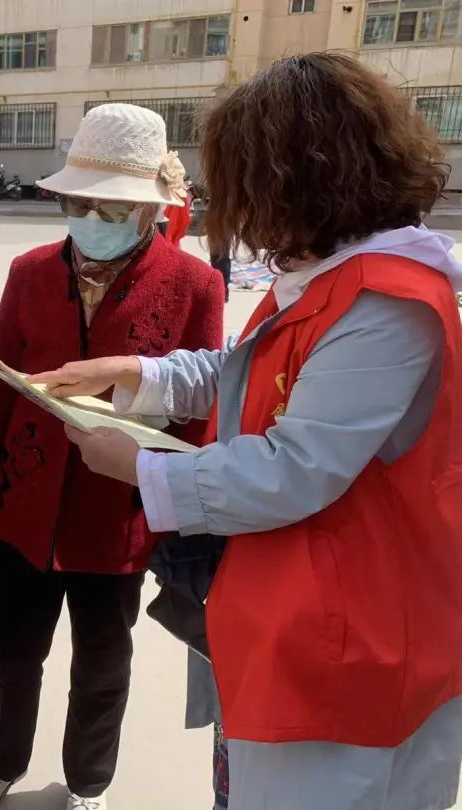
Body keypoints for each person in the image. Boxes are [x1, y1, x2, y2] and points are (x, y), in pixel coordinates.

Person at [33, 53, 462, 810]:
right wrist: (135, 372)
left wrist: (141, 468)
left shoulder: (385, 304)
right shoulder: (328, 278)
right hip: (291, 613)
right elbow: (249, 368)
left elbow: (295, 467)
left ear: (299, 181)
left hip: (352, 644)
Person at [0, 104, 225, 810]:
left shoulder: (195, 285)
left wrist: (177, 504)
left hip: (119, 514)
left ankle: (88, 781)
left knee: (103, 663)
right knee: (14, 653)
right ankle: (2, 762)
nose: (91, 218)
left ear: (152, 209)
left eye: (111, 207)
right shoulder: (29, 272)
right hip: (25, 504)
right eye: (79, 203)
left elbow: (201, 410)